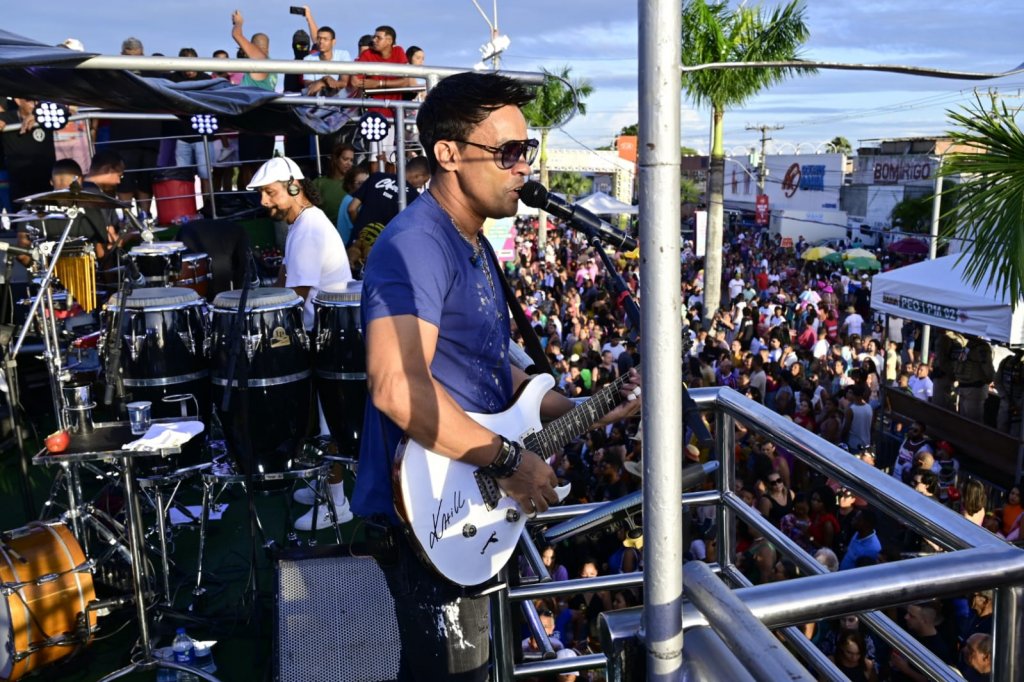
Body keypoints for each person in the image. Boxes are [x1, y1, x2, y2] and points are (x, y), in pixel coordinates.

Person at [349, 72, 640, 681]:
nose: (522, 168)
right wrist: (508, 462)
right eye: (507, 152)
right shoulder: (416, 246)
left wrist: (585, 408)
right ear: (447, 155)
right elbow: (397, 386)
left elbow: (486, 371)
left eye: (525, 151)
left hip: (466, 493)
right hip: (428, 508)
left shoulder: (475, 243)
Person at [247, 155, 354, 531]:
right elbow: (287, 278)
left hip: (325, 338)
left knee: (328, 426)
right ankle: (325, 487)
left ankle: (337, 504)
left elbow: (295, 294)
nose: (265, 202)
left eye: (270, 193)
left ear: (294, 187)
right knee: (320, 420)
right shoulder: (301, 223)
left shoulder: (308, 228)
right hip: (321, 334)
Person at [231, 10, 278, 189]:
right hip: (267, 120)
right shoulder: (272, 63)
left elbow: (236, 35)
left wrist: (238, 22)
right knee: (261, 165)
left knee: (248, 166)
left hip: (253, 119)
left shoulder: (258, 58)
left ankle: (249, 199)